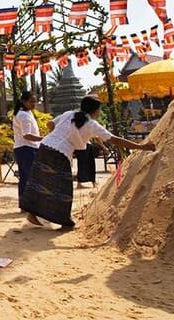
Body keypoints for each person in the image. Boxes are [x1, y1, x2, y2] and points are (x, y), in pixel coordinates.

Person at [21, 96, 155, 229]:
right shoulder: (92, 124)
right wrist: (142, 147)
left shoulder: (69, 114)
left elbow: (50, 124)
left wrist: (56, 135)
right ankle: (64, 222)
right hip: (60, 152)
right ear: (95, 111)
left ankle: (32, 214)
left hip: (45, 146)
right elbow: (115, 140)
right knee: (63, 188)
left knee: (40, 181)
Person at [12, 91, 43, 210]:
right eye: (31, 102)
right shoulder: (23, 115)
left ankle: (27, 203)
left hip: (29, 147)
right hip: (26, 148)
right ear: (24, 102)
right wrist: (43, 138)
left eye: (35, 101)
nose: (34, 104)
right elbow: (26, 135)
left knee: (28, 177)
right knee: (27, 177)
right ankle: (26, 204)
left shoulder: (26, 113)